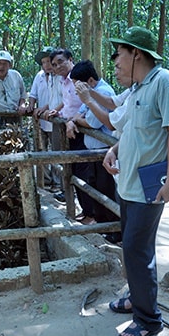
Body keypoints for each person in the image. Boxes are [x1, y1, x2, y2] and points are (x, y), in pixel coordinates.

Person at [103, 26, 169, 336]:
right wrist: (113, 149)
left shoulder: (165, 82)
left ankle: (149, 319)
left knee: (137, 251)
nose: (116, 63)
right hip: (127, 184)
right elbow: (133, 131)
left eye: (119, 56)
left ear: (136, 53)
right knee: (133, 247)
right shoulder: (138, 88)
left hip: (149, 187)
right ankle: (136, 298)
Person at [66, 60, 121, 233]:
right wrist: (74, 119)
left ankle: (114, 230)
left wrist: (77, 120)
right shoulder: (93, 93)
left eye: (77, 85)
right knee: (96, 188)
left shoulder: (103, 92)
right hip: (95, 151)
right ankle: (103, 225)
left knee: (106, 190)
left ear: (89, 81)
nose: (76, 90)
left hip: (104, 151)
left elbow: (93, 122)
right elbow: (79, 112)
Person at [47, 49, 96, 223]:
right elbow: (68, 102)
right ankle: (85, 210)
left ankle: (92, 215)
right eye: (54, 64)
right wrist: (58, 110)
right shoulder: (64, 81)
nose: (58, 66)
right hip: (71, 130)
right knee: (73, 172)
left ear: (70, 59)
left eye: (61, 62)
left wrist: (73, 121)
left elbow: (89, 104)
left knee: (85, 174)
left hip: (82, 131)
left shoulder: (80, 78)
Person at [27, 46, 62, 191]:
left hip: (55, 120)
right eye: (44, 62)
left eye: (49, 61)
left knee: (57, 152)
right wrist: (31, 106)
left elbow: (60, 98)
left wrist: (46, 108)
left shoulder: (60, 77)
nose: (47, 65)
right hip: (41, 120)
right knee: (40, 150)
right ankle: (45, 181)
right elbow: (33, 94)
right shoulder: (39, 76)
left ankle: (58, 183)